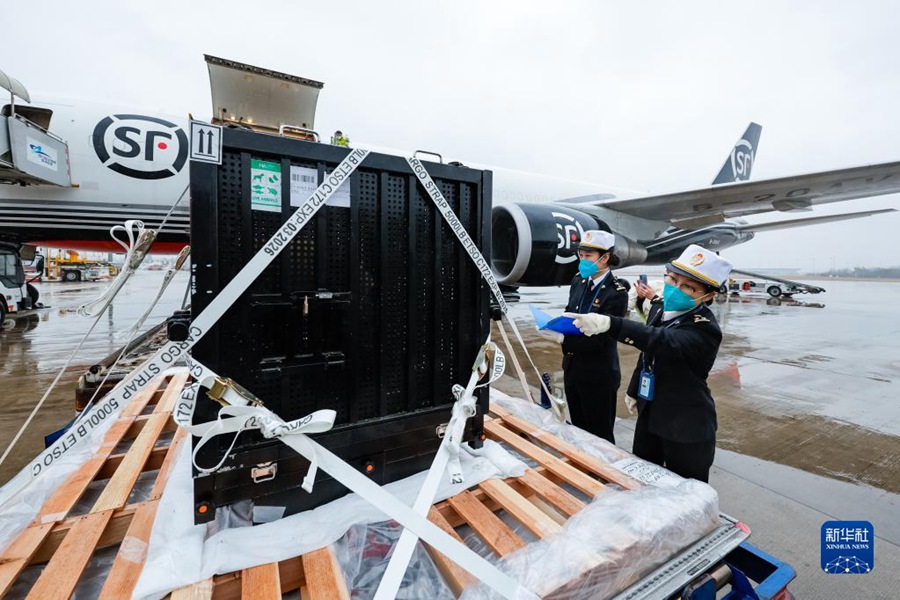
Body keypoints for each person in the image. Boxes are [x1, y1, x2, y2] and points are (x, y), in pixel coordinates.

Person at [564, 244, 732, 482]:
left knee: (685, 493)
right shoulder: (660, 310)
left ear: (708, 295)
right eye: (672, 280)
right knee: (643, 481)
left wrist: (610, 324)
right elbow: (647, 356)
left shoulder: (704, 328)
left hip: (685, 425)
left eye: (688, 287)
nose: (675, 289)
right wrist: (635, 391)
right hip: (650, 415)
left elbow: (660, 340)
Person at [540, 230, 628, 443]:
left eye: (588, 256)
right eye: (581, 255)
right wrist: (555, 326)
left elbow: (602, 339)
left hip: (598, 374)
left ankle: (602, 476)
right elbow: (570, 313)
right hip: (573, 367)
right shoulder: (579, 281)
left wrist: (565, 338)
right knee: (578, 431)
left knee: (599, 435)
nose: (582, 260)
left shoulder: (616, 292)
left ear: (605, 257)